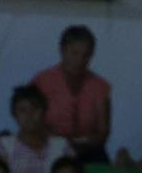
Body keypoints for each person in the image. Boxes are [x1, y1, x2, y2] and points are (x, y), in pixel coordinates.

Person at [31, 25, 112, 164]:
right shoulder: (42, 82)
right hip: (48, 150)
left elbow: (103, 131)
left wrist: (82, 143)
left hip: (89, 152)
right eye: (74, 53)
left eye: (86, 55)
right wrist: (60, 142)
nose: (80, 60)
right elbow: (31, 123)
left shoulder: (100, 87)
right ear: (62, 50)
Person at [0, 86, 72, 173]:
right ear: (14, 115)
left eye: (35, 109)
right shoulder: (4, 145)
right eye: (23, 110)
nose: (29, 115)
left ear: (44, 112)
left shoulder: (61, 145)